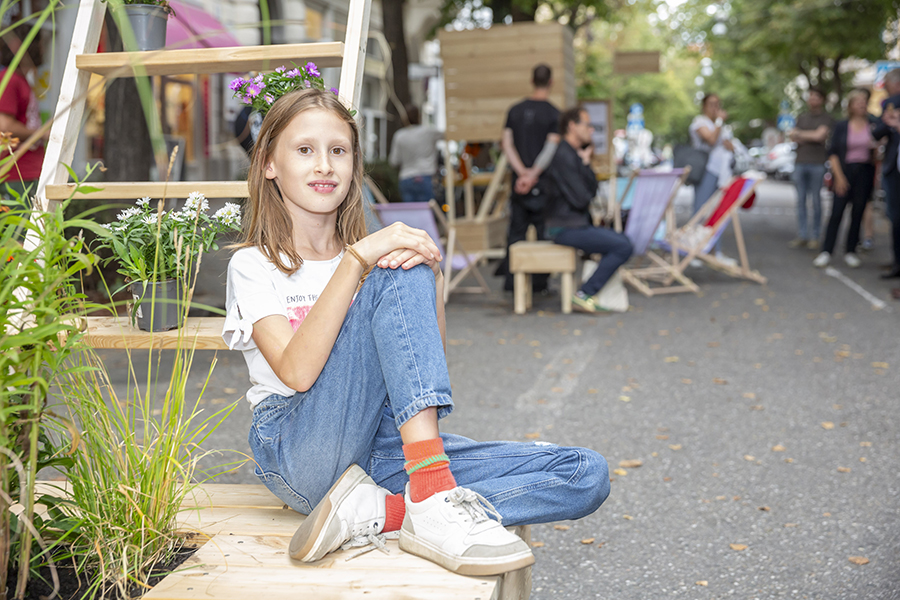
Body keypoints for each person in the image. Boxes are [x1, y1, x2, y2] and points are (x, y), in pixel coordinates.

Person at [222, 87, 609, 576]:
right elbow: (297, 373)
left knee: (583, 473)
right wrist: (357, 260)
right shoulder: (254, 265)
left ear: (353, 166)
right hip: (301, 447)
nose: (324, 164)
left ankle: (389, 511)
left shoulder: (379, 263)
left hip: (388, 445)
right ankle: (429, 489)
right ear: (269, 164)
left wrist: (433, 278)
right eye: (305, 150)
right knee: (393, 267)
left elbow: (420, 373)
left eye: (338, 151)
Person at [544, 106, 633, 313]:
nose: (591, 130)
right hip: (564, 227)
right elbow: (582, 198)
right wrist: (583, 170)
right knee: (622, 246)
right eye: (587, 124)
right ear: (572, 126)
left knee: (623, 242)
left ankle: (586, 292)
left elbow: (589, 190)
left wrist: (585, 163)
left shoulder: (573, 155)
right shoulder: (563, 156)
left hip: (574, 224)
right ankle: (584, 294)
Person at [497, 64, 561, 292]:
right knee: (543, 234)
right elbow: (550, 148)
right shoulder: (554, 113)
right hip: (542, 184)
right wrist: (533, 174)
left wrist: (521, 173)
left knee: (516, 233)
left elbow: (507, 144)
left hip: (518, 184)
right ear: (551, 82)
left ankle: (512, 282)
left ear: (531, 80)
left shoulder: (514, 110)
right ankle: (539, 283)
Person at [814, 90, 876, 269]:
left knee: (858, 212)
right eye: (858, 102)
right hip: (844, 169)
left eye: (864, 102)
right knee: (836, 212)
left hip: (864, 171)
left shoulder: (872, 124)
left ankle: (851, 250)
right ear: (850, 106)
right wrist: (839, 177)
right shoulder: (842, 126)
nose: (862, 105)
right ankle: (826, 251)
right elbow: (832, 152)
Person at [0, 25, 46, 204]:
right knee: (22, 230)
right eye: (40, 44)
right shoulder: (10, 79)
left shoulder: (19, 79)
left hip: (25, 171)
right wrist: (42, 132)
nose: (44, 49)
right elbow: (4, 125)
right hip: (17, 173)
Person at [689, 93, 736, 264]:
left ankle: (716, 251)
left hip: (720, 173)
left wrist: (730, 146)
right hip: (705, 170)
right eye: (711, 104)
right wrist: (719, 122)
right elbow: (710, 139)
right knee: (700, 211)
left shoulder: (720, 125)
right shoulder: (699, 122)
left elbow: (729, 145)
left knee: (719, 211)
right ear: (704, 106)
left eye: (717, 104)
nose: (715, 108)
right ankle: (693, 251)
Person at [788, 88, 833, 251]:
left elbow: (819, 136)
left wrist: (802, 135)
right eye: (810, 97)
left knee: (816, 199)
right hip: (800, 162)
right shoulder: (801, 117)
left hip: (817, 163)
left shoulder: (826, 118)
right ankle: (802, 235)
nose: (812, 99)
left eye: (816, 96)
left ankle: (815, 236)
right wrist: (809, 135)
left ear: (821, 99)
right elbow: (793, 136)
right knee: (800, 200)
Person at [388, 104, 443, 203]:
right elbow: (447, 135)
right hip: (425, 177)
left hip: (406, 178)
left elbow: (394, 161)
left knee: (410, 214)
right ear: (419, 116)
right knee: (427, 213)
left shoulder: (399, 135)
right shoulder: (428, 132)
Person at [874, 92, 900, 279]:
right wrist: (890, 123)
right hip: (894, 171)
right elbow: (876, 133)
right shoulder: (891, 104)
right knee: (895, 219)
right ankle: (898, 263)